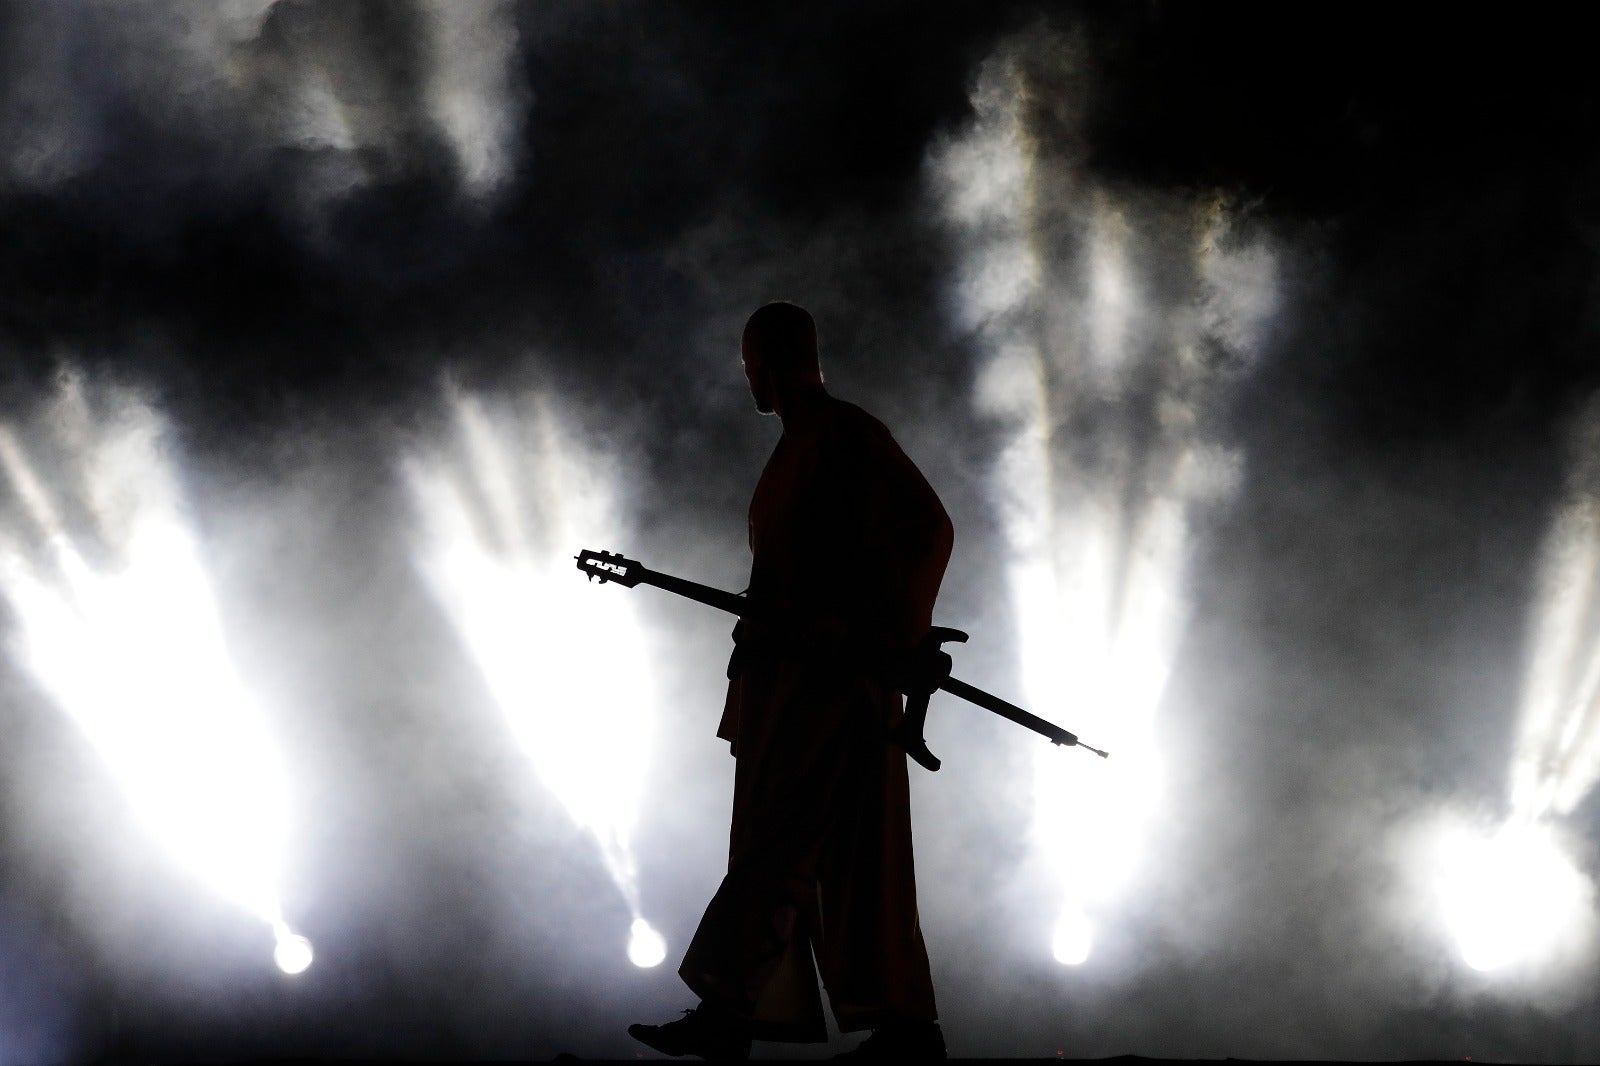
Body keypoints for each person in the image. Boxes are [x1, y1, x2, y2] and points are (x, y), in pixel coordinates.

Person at [629, 302, 953, 1061]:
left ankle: (729, 1008)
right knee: (837, 851)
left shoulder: (844, 437)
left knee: (783, 844)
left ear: (768, 364)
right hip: (795, 679)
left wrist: (884, 633)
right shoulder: (802, 450)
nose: (750, 380)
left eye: (751, 366)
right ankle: (899, 1028)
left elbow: (926, 527)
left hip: (833, 685)